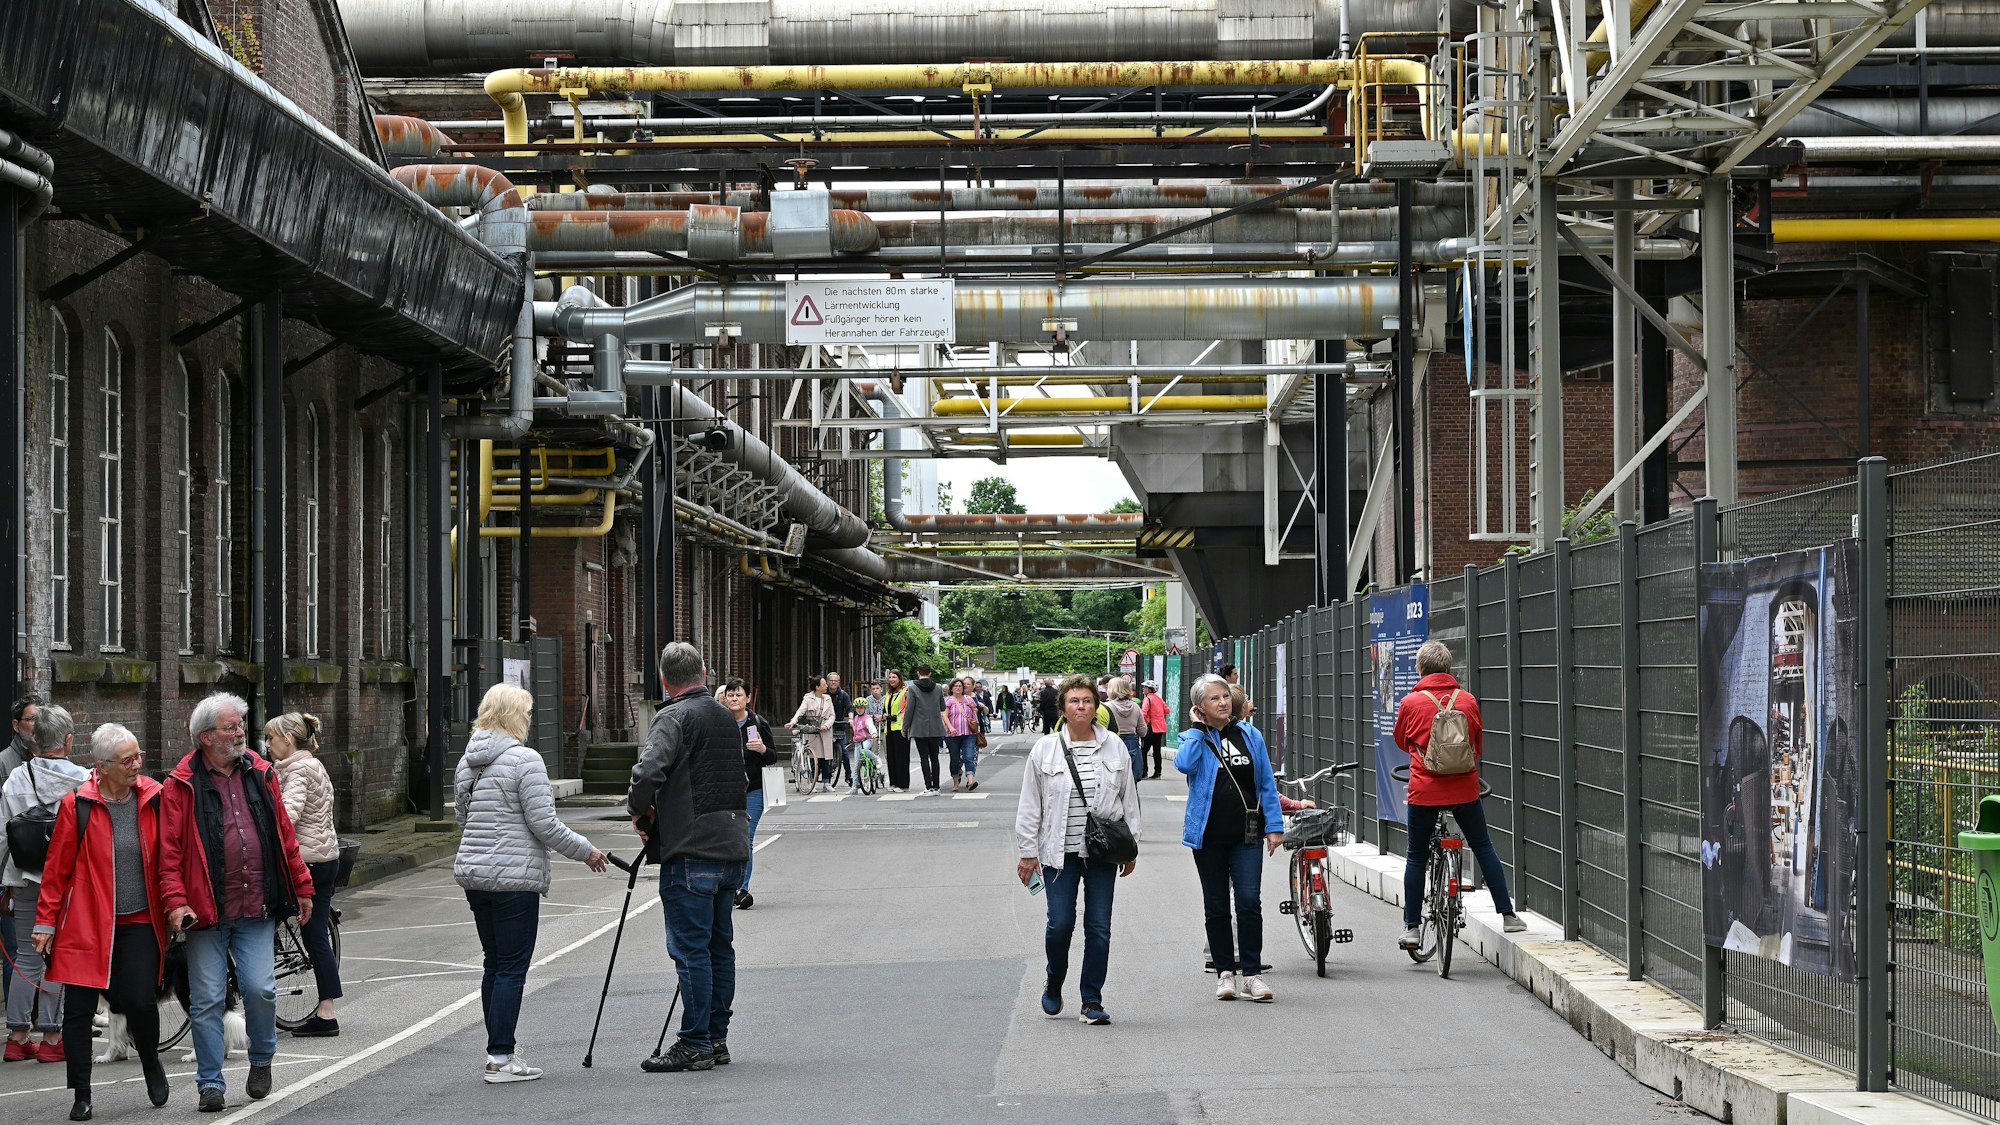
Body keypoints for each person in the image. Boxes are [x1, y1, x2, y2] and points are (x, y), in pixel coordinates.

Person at [160, 692, 317, 1112]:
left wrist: (302, 885)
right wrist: (175, 902)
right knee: (207, 999)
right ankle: (210, 1083)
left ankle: (261, 1058)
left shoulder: (259, 774)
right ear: (205, 736)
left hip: (256, 906)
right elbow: (169, 852)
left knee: (260, 989)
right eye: (231, 727)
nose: (240, 733)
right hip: (206, 914)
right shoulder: (181, 785)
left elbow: (284, 835)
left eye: (240, 725)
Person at [454, 683, 608, 1084]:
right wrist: (587, 851)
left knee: (494, 964)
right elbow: (544, 824)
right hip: (514, 880)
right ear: (511, 715)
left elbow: (463, 819)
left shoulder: (468, 762)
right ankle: (502, 1058)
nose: (529, 718)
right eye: (526, 712)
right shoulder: (526, 761)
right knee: (512, 968)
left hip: (475, 876)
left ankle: (498, 1051)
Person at [33, 724, 170, 1121]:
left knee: (141, 1001)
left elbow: (172, 859)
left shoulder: (155, 797)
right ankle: (82, 1093)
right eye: (128, 760)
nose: (137, 765)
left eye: (138, 756)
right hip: (87, 923)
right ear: (101, 766)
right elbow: (56, 871)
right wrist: (45, 923)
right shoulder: (77, 805)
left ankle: (150, 1062)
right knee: (76, 1011)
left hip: (140, 920)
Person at [629, 643, 750, 1074]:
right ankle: (716, 1037)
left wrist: (638, 809)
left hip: (692, 848)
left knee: (691, 949)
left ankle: (695, 1041)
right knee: (720, 946)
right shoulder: (724, 715)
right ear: (703, 671)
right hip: (732, 842)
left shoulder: (672, 717)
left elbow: (647, 772)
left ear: (664, 680)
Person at [1014, 675, 1141, 1026]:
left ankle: (1091, 1000)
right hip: (1059, 853)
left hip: (1102, 853)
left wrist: (1132, 847)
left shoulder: (1114, 747)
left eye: (1087, 700)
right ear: (1064, 708)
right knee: (1061, 924)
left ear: (1096, 706)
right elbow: (1030, 805)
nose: (1081, 706)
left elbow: (1128, 799)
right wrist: (1028, 852)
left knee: (1099, 927)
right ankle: (1055, 980)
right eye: (1074, 701)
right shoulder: (1045, 750)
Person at [1393, 641, 1525, 948]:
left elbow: (1402, 740)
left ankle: (1412, 928)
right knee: (1482, 846)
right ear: (1449, 668)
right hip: (1465, 789)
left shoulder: (1411, 703)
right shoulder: (1467, 700)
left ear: (1421, 669)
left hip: (1424, 792)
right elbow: (1476, 745)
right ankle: (1508, 915)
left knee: (1416, 855)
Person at [1176, 673, 1284, 1004]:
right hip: (1208, 837)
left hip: (1246, 834)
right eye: (1214, 699)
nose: (1223, 702)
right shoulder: (1193, 740)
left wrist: (1274, 825)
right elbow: (1184, 765)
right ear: (1200, 708)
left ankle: (1252, 973)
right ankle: (1225, 974)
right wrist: (1197, 730)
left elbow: (1266, 782)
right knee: (1217, 905)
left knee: (1249, 901)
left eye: (1225, 696)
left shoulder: (1250, 736)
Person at [2, 704, 87, 1063]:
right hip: (69, 883)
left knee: (26, 955)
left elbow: (3, 836)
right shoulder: (85, 780)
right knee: (59, 957)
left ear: (33, 741)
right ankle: (53, 1037)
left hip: (24, 879)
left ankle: (18, 1035)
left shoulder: (17, 779)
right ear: (68, 740)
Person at [263, 712, 342, 1036]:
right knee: (314, 937)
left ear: (289, 739)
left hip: (305, 861)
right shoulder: (313, 765)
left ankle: (261, 990)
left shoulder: (297, 769)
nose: (267, 744)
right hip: (325, 857)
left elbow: (288, 815)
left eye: (271, 738)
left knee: (264, 921)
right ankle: (326, 1011)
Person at [1, 692, 42, 1013]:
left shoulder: (46, 759)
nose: (36, 725)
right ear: (16, 725)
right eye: (31, 719)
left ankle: (40, 1017)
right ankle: (22, 1022)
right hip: (14, 871)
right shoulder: (6, 764)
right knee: (17, 950)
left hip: (40, 869)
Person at [719, 678, 776, 910]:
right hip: (726, 791)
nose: (734, 699)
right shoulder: (719, 723)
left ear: (747, 698)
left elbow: (772, 757)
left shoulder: (758, 723)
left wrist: (762, 749)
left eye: (738, 695)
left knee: (746, 839)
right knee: (727, 840)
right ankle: (728, 886)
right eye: (730, 695)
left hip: (753, 789)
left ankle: (742, 889)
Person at [903, 665, 948, 795]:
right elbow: (942, 707)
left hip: (919, 728)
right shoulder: (938, 688)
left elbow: (909, 710)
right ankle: (936, 787)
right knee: (935, 757)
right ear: (930, 673)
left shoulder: (913, 689)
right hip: (935, 727)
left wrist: (905, 727)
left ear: (918, 673)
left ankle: (928, 787)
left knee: (924, 758)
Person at [785, 674, 837, 786]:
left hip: (825, 731)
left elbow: (832, 715)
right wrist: (793, 722)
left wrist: (827, 725)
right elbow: (800, 711)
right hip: (812, 731)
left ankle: (826, 783)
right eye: (824, 684)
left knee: (826, 758)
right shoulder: (808, 698)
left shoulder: (828, 698)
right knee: (813, 758)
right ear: (818, 687)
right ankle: (811, 782)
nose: (826, 686)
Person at [943, 678, 980, 792]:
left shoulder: (969, 699)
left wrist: (973, 709)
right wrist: (950, 727)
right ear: (951, 688)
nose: (958, 688)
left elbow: (975, 712)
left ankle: (970, 781)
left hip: (968, 733)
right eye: (956, 686)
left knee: (969, 757)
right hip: (952, 735)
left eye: (960, 686)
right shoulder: (948, 701)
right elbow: (944, 715)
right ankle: (955, 782)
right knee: (955, 759)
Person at [1105, 678, 1145, 779]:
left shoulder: (1106, 707)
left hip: (1111, 744)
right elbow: (1143, 732)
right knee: (1131, 781)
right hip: (1132, 744)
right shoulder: (1136, 707)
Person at [883, 670, 911, 793]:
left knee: (902, 757)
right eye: (890, 677)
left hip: (901, 728)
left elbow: (906, 710)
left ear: (900, 679)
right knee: (891, 757)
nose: (892, 679)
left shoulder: (905, 691)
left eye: (894, 677)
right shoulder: (889, 692)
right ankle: (893, 782)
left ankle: (903, 784)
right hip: (889, 728)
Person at [826, 672, 854, 789]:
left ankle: (848, 776)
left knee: (844, 752)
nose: (833, 683)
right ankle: (815, 774)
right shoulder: (823, 694)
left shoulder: (843, 695)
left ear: (838, 682)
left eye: (835, 681)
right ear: (827, 682)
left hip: (839, 726)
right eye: (831, 681)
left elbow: (849, 708)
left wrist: (851, 718)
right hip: (826, 727)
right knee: (823, 753)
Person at [1139, 682, 1168, 779]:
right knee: (1157, 751)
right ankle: (1158, 773)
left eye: (1145, 687)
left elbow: (1143, 713)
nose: (1143, 689)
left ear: (1149, 689)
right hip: (1160, 728)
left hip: (1150, 728)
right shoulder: (1159, 699)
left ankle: (1144, 772)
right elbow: (1167, 710)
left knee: (1143, 751)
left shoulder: (1147, 699)